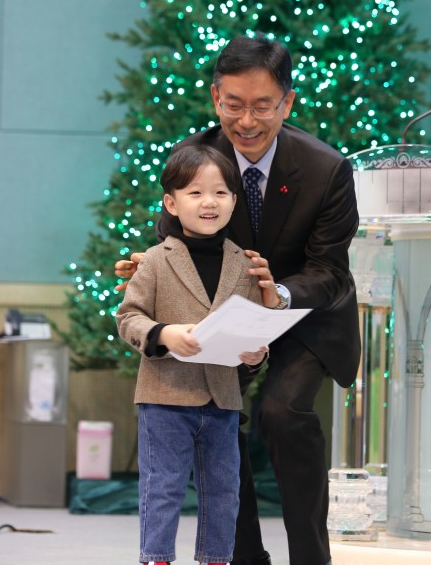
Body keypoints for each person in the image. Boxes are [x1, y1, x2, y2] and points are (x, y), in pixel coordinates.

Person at [117, 34, 360, 565]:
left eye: (262, 106)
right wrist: (149, 268)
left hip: (303, 315)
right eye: (233, 105)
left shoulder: (327, 169)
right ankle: (242, 557)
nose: (246, 121)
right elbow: (174, 246)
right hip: (221, 320)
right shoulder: (194, 158)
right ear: (215, 98)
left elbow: (330, 272)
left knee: (282, 412)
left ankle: (311, 559)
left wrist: (278, 294)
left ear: (287, 103)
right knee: (215, 418)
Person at [116, 144, 281, 565]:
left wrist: (254, 354)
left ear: (234, 201)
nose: (209, 202)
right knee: (163, 486)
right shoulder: (156, 261)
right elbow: (128, 317)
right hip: (165, 397)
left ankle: (216, 558)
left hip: (222, 399)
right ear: (172, 203)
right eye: (195, 192)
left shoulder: (245, 264)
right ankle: (156, 558)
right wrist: (165, 334)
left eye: (220, 192)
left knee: (225, 489)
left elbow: (255, 328)